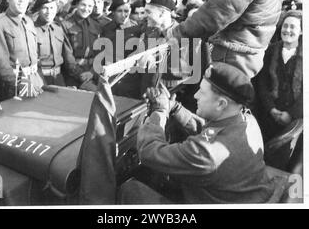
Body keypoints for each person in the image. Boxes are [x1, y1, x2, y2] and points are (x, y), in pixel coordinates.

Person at [119, 62, 281, 204]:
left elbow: (148, 152)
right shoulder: (246, 121)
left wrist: (158, 112)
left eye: (202, 92)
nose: (196, 95)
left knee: (130, 189)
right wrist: (175, 108)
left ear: (221, 104)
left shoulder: (207, 154)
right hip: (241, 196)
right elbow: (211, 134)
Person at [254, 10, 302, 171]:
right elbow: (262, 83)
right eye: (285, 26)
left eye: (293, 27)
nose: (287, 30)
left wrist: (291, 114)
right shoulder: (271, 50)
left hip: (296, 122)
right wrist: (271, 109)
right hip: (268, 117)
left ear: (301, 30)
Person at [0, 0, 43, 101]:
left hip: (35, 81)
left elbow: (35, 57)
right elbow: (1, 64)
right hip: (14, 86)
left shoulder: (29, 22)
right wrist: (22, 84)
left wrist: (40, 81)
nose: (22, 0)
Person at [33, 0, 82, 86]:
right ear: (39, 9)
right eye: (45, 8)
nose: (48, 12)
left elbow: (67, 56)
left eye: (52, 8)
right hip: (39, 78)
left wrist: (77, 74)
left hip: (58, 78)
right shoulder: (32, 30)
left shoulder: (58, 29)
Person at [61, 0, 101, 91]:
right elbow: (67, 56)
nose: (86, 9)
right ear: (77, 4)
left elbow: (100, 54)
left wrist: (92, 73)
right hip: (73, 77)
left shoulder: (96, 26)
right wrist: (80, 75)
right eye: (83, 5)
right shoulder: (66, 25)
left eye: (90, 6)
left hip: (92, 75)